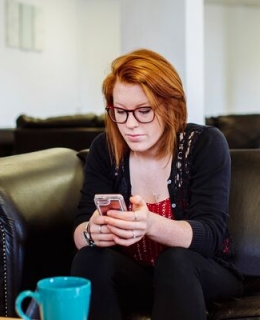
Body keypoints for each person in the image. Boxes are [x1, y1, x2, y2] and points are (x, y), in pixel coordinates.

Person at [70, 48, 243, 320]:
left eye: (143, 111)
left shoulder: (204, 144)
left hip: (200, 272)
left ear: (170, 106)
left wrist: (149, 224)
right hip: (137, 277)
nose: (130, 124)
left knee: (174, 261)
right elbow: (80, 228)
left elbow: (210, 235)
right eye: (121, 112)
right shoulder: (105, 149)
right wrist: (92, 232)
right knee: (90, 256)